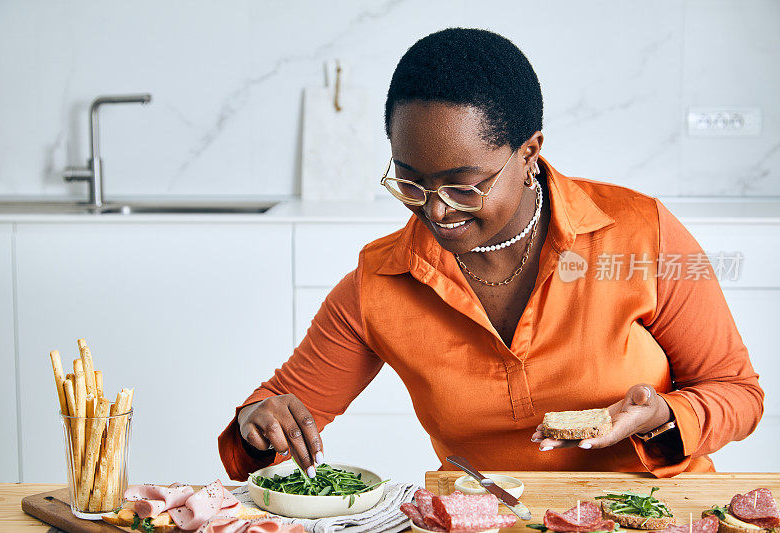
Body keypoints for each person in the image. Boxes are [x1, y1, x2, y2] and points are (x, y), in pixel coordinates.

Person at [218, 28, 763, 480]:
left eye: (464, 185)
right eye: (411, 183)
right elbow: (273, 417)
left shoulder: (640, 234)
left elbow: (738, 392)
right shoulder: (380, 282)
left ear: (529, 153)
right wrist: (257, 421)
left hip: (653, 511)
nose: (436, 212)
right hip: (486, 518)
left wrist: (665, 415)